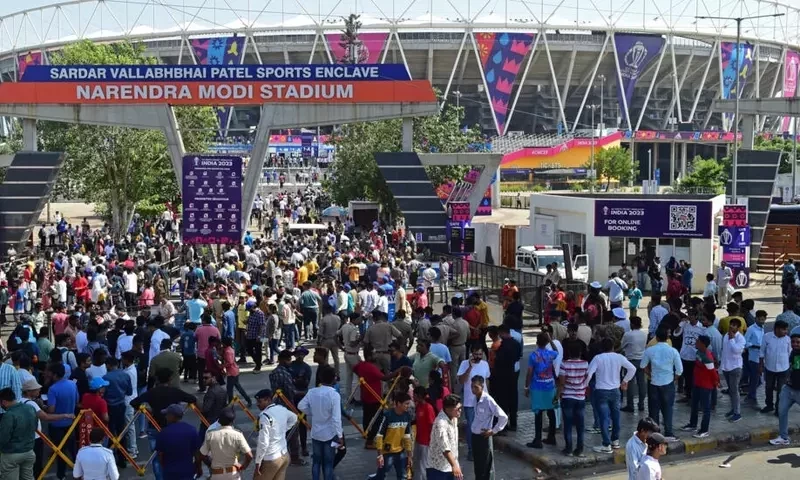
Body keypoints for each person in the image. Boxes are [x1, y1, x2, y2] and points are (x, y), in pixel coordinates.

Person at [130, 368, 198, 480]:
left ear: (157, 379)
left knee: (156, 458)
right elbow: (192, 398)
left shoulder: (152, 392)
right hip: (172, 429)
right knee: (174, 455)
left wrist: (147, 409)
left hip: (154, 426)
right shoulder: (175, 392)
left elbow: (134, 402)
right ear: (170, 379)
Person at [587, 337, 636, 453]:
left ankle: (606, 444)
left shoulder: (598, 358)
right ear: (613, 347)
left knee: (604, 418)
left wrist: (585, 385)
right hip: (615, 390)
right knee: (616, 416)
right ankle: (615, 440)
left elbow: (589, 373)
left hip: (601, 391)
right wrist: (625, 381)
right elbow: (632, 368)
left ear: (601, 348)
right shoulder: (619, 357)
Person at [298, 365, 343, 480]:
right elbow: (336, 418)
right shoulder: (334, 395)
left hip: (316, 433)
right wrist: (340, 436)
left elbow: (301, 405)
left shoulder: (312, 392)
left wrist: (312, 412)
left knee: (316, 462)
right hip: (330, 433)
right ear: (333, 379)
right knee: (328, 463)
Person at [640, 327, 682, 440]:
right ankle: (669, 432)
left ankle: (655, 433)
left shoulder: (650, 350)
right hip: (668, 382)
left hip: (654, 382)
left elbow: (643, 366)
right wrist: (674, 379)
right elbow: (679, 370)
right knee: (668, 409)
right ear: (667, 337)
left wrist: (650, 374)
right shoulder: (673, 351)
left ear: (656, 338)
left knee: (654, 410)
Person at [253, 389, 298, 480]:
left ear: (268, 400)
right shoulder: (281, 409)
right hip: (284, 455)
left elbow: (263, 442)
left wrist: (258, 462)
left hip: (271, 458)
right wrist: (282, 430)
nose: (257, 404)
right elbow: (294, 418)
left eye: (260, 401)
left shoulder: (265, 416)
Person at [456, 344, 491, 460]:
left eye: (480, 354)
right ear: (471, 354)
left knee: (483, 425)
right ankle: (471, 450)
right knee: (471, 426)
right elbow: (461, 381)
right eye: (476, 354)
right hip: (469, 402)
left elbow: (486, 381)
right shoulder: (464, 364)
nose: (478, 357)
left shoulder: (485, 364)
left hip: (483, 401)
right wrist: (469, 367)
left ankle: (483, 449)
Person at [469, 375, 507, 480]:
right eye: (472, 387)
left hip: (484, 437)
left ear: (482, 386)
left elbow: (503, 417)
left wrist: (493, 431)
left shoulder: (488, 400)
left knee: (486, 466)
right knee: (478, 466)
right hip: (475, 436)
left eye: (476, 387)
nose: (473, 389)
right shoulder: (475, 399)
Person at [524, 332, 558, 449]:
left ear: (537, 342)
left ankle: (537, 439)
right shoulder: (551, 354)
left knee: (538, 414)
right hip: (550, 386)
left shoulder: (534, 355)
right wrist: (550, 340)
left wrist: (526, 386)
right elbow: (556, 350)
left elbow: (529, 372)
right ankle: (552, 437)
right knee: (551, 411)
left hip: (537, 387)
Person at [681, 335, 719, 438]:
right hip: (697, 383)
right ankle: (693, 424)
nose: (695, 342)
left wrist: (716, 382)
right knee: (694, 405)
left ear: (702, 343)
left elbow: (712, 372)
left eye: (697, 341)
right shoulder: (698, 352)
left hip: (705, 386)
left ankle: (704, 430)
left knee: (705, 409)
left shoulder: (707, 357)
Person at [199, 408, 253, 480]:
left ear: (219, 420)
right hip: (233, 474)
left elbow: (202, 455)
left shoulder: (211, 434)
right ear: (233, 421)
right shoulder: (238, 434)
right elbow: (249, 456)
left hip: (217, 474)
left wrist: (210, 465)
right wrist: (243, 467)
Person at [46, 362, 79, 480]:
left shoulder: (52, 389)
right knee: (73, 448)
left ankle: (61, 475)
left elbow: (51, 409)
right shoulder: (72, 384)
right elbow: (76, 401)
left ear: (54, 375)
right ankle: (80, 470)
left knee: (60, 451)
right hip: (70, 422)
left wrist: (42, 406)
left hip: (56, 424)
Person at [558, 341, 589, 457]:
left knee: (568, 424)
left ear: (569, 352)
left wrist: (558, 395)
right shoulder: (585, 364)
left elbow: (561, 383)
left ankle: (568, 448)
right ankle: (579, 449)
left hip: (567, 396)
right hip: (580, 396)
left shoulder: (564, 364)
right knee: (580, 425)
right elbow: (586, 378)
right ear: (580, 352)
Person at [155, 404, 202, 480]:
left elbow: (160, 456)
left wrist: (166, 468)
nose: (166, 417)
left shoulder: (163, 433)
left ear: (172, 416)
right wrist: (199, 468)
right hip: (187, 471)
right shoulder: (191, 430)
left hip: (170, 473)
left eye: (167, 414)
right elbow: (197, 453)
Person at [374, 392, 414, 480]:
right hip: (387, 453)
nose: (408, 406)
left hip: (401, 452)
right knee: (381, 476)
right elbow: (379, 436)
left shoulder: (407, 416)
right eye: (406, 404)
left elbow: (407, 436)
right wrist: (380, 455)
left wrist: (409, 455)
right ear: (398, 403)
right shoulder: (387, 416)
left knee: (402, 476)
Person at [0, 386, 38, 480]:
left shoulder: (9, 415)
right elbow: (35, 427)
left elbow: (3, 437)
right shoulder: (30, 408)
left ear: (4, 402)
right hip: (29, 452)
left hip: (12, 455)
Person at [771, 333, 800, 445]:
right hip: (788, 389)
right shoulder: (792, 353)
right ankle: (783, 437)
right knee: (781, 411)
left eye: (798, 342)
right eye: (793, 342)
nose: (795, 344)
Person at [427, 394, 463, 480]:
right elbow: (445, 448)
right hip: (438, 468)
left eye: (460, 408)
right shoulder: (441, 423)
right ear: (448, 409)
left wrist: (455, 464)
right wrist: (455, 465)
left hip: (450, 465)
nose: (460, 411)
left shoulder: (454, 418)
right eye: (458, 409)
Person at [760, 320, 791, 415]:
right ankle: (769, 405)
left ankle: (779, 409)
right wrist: (760, 366)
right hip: (770, 368)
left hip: (783, 369)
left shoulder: (787, 339)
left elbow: (789, 353)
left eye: (786, 330)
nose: (786, 332)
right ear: (777, 329)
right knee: (768, 387)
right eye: (784, 329)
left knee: (781, 390)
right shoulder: (767, 337)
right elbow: (762, 352)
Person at [721, 317, 746, 423]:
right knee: (731, 390)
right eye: (731, 324)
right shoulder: (726, 336)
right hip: (726, 366)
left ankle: (737, 413)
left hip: (735, 367)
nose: (731, 326)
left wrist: (732, 339)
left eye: (734, 325)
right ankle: (733, 409)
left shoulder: (740, 338)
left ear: (738, 327)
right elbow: (724, 351)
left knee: (735, 390)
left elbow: (737, 351)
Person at [621, 317, 647, 412]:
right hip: (641, 360)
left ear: (632, 324)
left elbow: (622, 345)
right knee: (641, 383)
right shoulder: (644, 334)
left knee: (630, 383)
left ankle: (630, 404)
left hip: (631, 360)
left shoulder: (628, 334)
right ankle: (641, 404)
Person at [743, 309, 766, 408]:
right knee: (756, 379)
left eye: (763, 319)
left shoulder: (762, 328)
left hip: (761, 357)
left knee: (757, 379)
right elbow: (745, 343)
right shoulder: (751, 329)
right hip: (753, 357)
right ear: (756, 318)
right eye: (760, 319)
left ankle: (750, 394)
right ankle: (752, 395)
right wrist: (754, 345)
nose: (762, 321)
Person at [413, 386, 435, 480]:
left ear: (418, 396)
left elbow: (431, 425)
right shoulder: (418, 406)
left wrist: (431, 440)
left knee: (424, 465)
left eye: (414, 395)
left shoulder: (428, 408)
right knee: (417, 463)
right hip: (418, 439)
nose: (413, 397)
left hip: (426, 441)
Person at [221, 338, 251, 406]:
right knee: (238, 387)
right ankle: (248, 400)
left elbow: (230, 362)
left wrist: (222, 366)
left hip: (231, 372)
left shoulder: (227, 351)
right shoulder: (230, 349)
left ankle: (230, 403)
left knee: (230, 389)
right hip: (235, 370)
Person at [200, 371, 228, 438]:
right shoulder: (222, 389)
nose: (204, 380)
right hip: (219, 421)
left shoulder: (211, 392)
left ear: (213, 378)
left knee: (201, 442)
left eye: (206, 378)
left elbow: (205, 409)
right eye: (203, 378)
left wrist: (197, 403)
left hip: (208, 422)